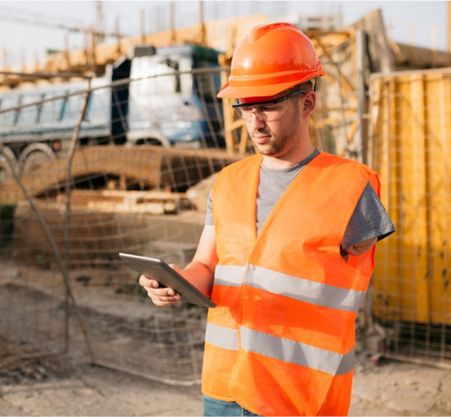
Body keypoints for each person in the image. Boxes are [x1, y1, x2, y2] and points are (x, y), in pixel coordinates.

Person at [139, 22, 395, 416]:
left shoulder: (350, 188)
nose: (255, 122)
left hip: (299, 399)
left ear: (307, 103)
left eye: (269, 106)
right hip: (224, 389)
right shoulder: (228, 183)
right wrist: (174, 280)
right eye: (245, 107)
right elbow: (206, 266)